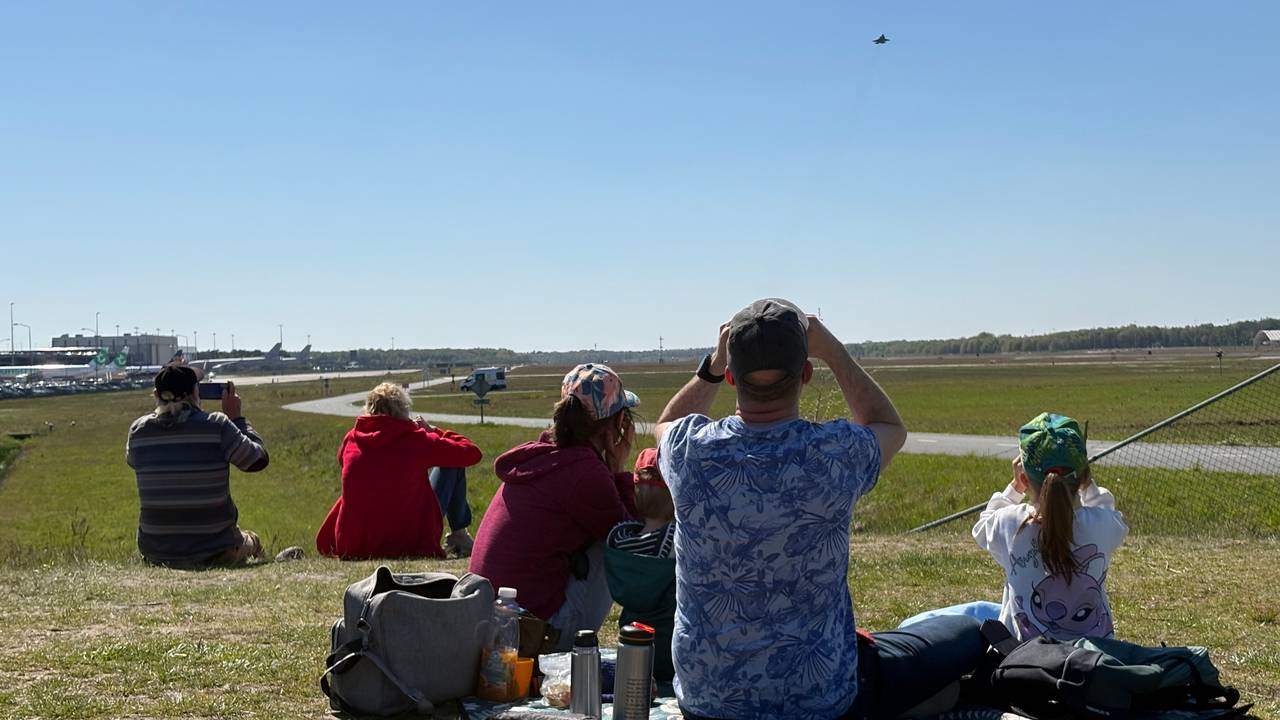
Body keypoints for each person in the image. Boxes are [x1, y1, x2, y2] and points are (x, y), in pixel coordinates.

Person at [655, 298, 986, 720]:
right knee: (965, 632)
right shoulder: (834, 453)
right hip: (821, 702)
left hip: (707, 704)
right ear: (806, 374)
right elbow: (889, 426)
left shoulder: (690, 452)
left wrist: (712, 366)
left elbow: (664, 425)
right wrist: (834, 351)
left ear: (732, 377)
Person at [469, 363, 639, 651]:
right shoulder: (583, 472)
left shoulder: (545, 457)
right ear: (618, 421)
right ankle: (577, 644)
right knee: (611, 547)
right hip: (532, 635)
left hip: (491, 624)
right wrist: (619, 469)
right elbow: (630, 543)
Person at [972, 412, 1128, 642]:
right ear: (1082, 476)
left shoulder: (1010, 523)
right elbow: (1109, 513)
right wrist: (1089, 486)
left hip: (1025, 656)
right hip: (1091, 655)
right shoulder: (1100, 524)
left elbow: (982, 527)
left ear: (1025, 478)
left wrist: (1014, 488)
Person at [317, 382, 482, 559]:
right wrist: (433, 431)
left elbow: (342, 460)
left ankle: (458, 535)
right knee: (452, 463)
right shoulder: (415, 439)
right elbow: (472, 453)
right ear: (403, 409)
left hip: (355, 546)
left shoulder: (352, 439)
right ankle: (459, 535)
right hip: (408, 542)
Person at [126, 364, 269, 567]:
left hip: (156, 553)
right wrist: (237, 419)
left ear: (156, 395)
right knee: (252, 540)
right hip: (216, 550)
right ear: (195, 392)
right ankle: (265, 565)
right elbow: (257, 460)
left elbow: (133, 462)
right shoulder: (217, 425)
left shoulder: (138, 430)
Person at [604, 447, 677, 681]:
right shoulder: (675, 542)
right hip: (670, 647)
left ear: (635, 497)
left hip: (631, 644)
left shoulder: (620, 541)